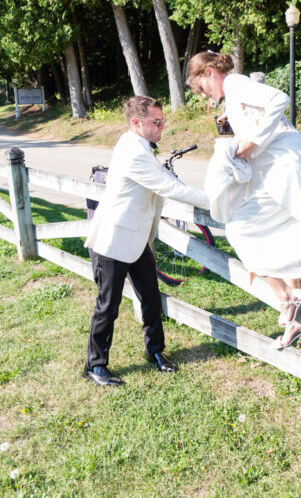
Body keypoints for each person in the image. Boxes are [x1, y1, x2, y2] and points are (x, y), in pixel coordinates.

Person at [186, 52, 301, 349]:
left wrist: (253, 142)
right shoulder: (234, 95)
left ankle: (286, 297)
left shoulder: (235, 83)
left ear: (209, 72)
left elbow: (279, 99)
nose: (204, 96)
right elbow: (261, 116)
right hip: (284, 161)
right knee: (278, 233)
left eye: (201, 87)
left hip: (288, 161)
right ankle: (295, 317)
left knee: (240, 229)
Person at [84, 96, 209, 385]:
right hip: (113, 241)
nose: (162, 126)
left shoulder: (139, 146)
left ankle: (155, 352)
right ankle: (96, 366)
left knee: (151, 299)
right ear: (136, 123)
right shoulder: (133, 151)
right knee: (108, 306)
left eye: (162, 120)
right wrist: (215, 202)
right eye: (157, 121)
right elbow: (168, 186)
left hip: (137, 239)